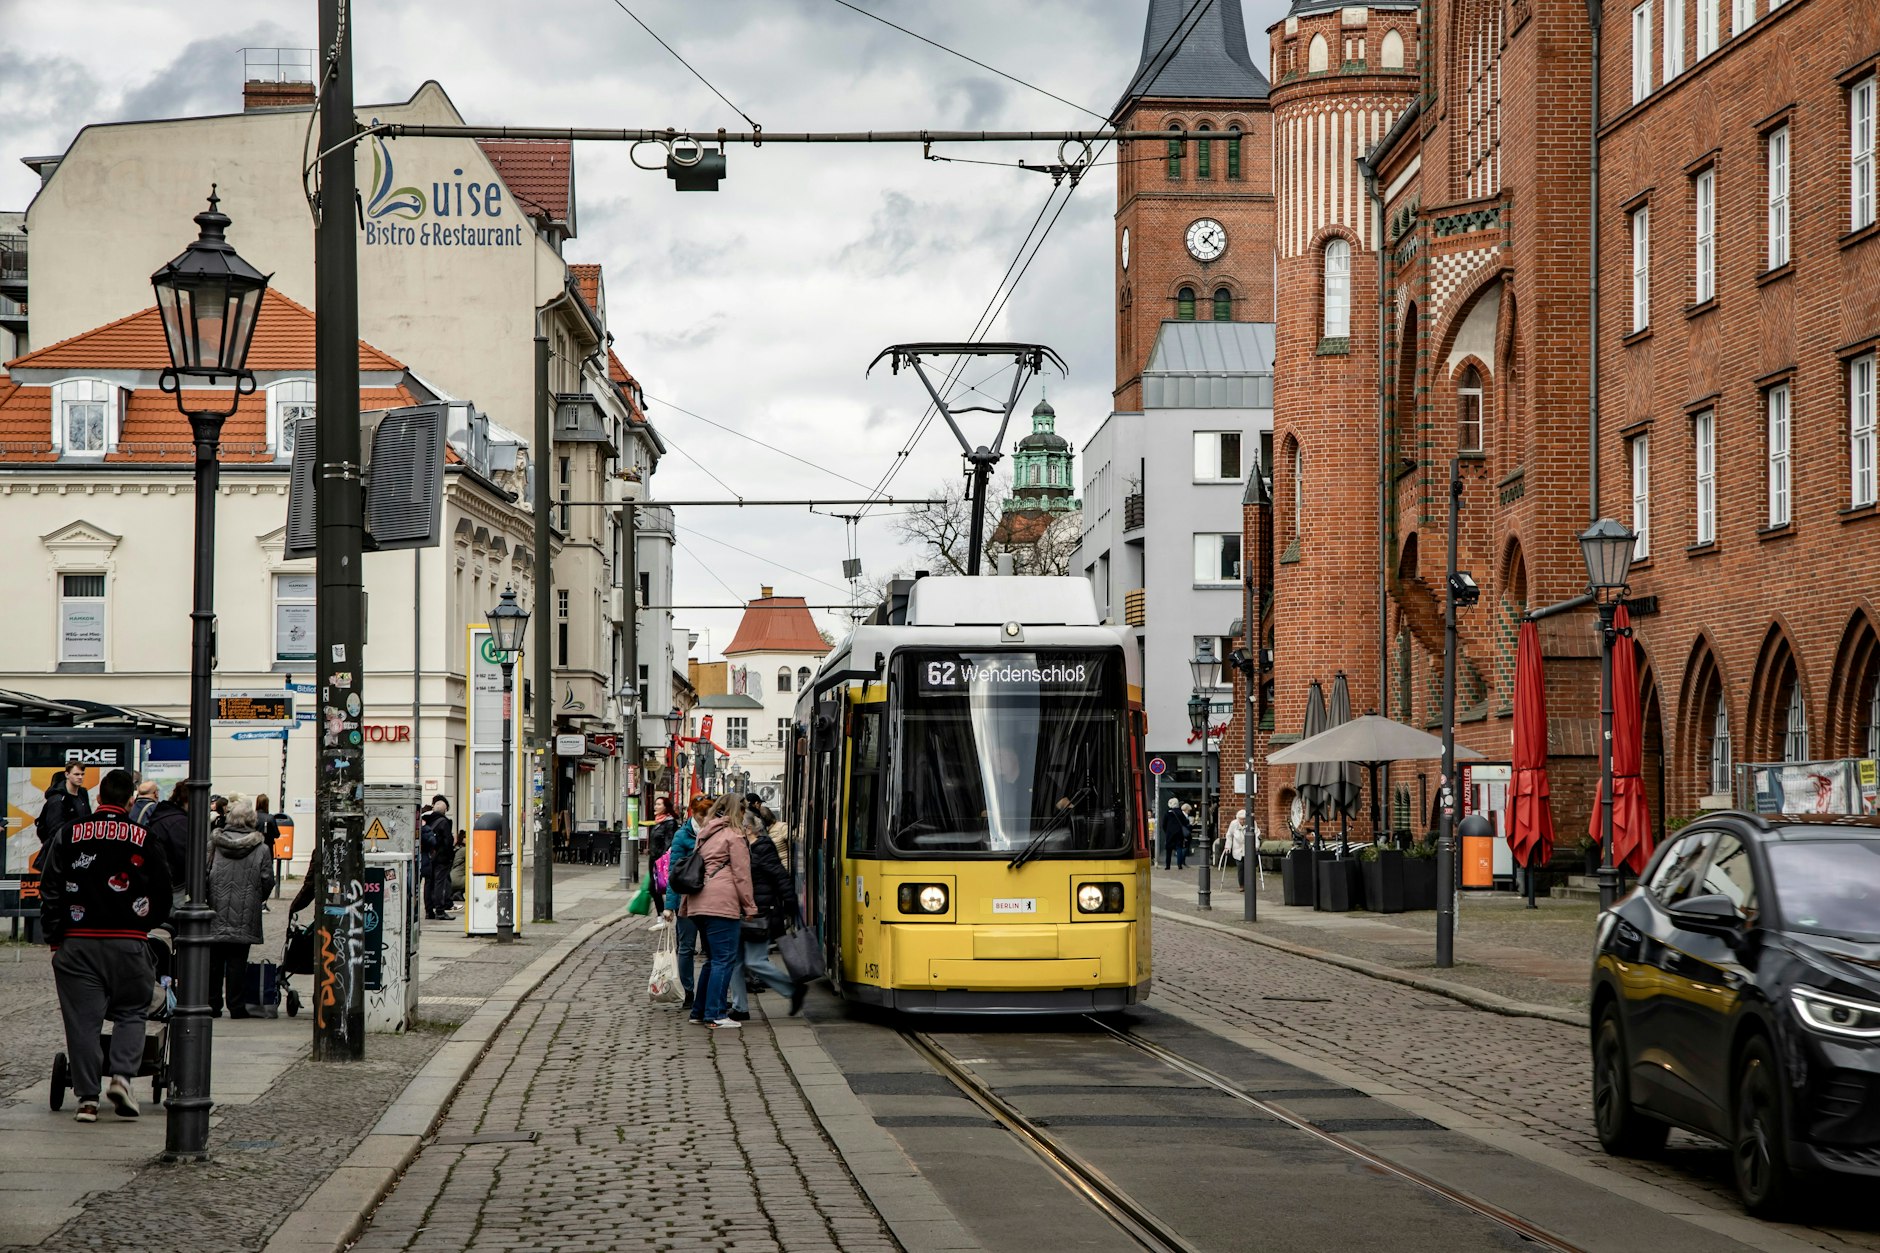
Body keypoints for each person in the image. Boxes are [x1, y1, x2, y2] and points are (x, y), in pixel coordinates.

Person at [40, 767, 171, 1122]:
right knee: (132, 1010)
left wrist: (55, 936)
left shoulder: (70, 834)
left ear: (98, 799)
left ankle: (87, 1099)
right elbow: (163, 889)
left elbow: (50, 886)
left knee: (83, 1021)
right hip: (128, 941)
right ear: (130, 801)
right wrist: (146, 922)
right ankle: (123, 1079)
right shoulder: (142, 837)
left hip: (78, 943)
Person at [679, 793, 757, 1030]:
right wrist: (749, 906)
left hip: (698, 902)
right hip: (721, 904)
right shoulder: (734, 836)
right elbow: (742, 876)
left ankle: (699, 1011)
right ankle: (716, 1013)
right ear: (738, 812)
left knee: (712, 960)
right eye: (743, 812)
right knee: (724, 959)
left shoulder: (706, 832)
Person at [207, 797, 273, 1018]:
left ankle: (213, 1004)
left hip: (216, 907)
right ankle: (236, 1006)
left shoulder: (215, 844)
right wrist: (256, 898)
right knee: (237, 961)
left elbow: (205, 874)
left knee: (214, 961)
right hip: (246, 911)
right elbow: (267, 880)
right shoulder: (261, 849)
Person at [740, 796, 806, 1016]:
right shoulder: (745, 847)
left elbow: (780, 876)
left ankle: (792, 989)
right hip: (750, 910)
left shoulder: (763, 847)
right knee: (735, 961)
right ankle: (740, 1007)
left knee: (754, 961)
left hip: (761, 910)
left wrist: (790, 903)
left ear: (748, 828)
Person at [660, 795, 714, 1009]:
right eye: (702, 815)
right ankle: (688, 991)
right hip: (687, 900)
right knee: (686, 948)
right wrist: (669, 906)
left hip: (711, 898)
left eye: (709, 815)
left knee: (711, 948)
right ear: (694, 813)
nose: (705, 820)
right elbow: (674, 872)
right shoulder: (682, 836)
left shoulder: (715, 833)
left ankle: (708, 992)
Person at [145, 783, 191, 911]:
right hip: (175, 888)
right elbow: (187, 859)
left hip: (161, 884)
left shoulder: (165, 816)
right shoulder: (179, 822)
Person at [36, 762, 93, 850]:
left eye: (82, 774)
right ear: (67, 774)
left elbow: (87, 819)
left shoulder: (83, 793)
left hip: (81, 845)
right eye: (76, 774)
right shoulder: (57, 799)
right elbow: (55, 831)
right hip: (62, 849)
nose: (80, 777)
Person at [419, 796, 454, 919]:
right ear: (444, 811)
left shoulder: (426, 819)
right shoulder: (444, 822)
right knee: (439, 883)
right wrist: (449, 856)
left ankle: (429, 911)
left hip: (428, 856)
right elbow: (448, 842)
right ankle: (440, 910)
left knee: (428, 883)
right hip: (441, 858)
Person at [1160, 796, 1190, 870]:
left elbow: (1163, 824)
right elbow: (1186, 822)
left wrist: (1166, 831)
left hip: (1169, 834)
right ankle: (1179, 865)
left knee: (1168, 850)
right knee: (1179, 848)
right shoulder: (1180, 813)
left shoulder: (1167, 813)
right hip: (1179, 833)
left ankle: (1168, 866)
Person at [1225, 808, 1248, 884]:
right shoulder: (1233, 824)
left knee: (1248, 868)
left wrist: (1256, 846)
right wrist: (1228, 847)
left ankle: (1249, 884)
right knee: (1240, 867)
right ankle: (1241, 884)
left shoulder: (1252, 823)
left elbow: (1256, 835)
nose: (1243, 821)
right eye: (1241, 819)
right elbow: (1229, 835)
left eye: (1244, 819)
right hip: (1237, 849)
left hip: (1248, 849)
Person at [450, 829, 468, 901]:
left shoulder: (457, 848)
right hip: (457, 879)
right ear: (463, 839)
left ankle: (456, 893)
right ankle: (458, 893)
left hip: (451, 878)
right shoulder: (465, 850)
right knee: (474, 878)